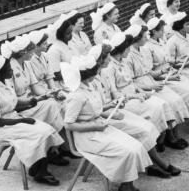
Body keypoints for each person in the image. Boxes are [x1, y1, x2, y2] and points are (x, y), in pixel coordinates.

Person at [88, 44, 182, 178]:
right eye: (107, 57)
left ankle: (152, 162)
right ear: (100, 61)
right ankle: (158, 164)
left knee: (147, 127)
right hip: (104, 117)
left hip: (114, 109)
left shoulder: (103, 72)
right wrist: (116, 104)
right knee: (142, 130)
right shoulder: (91, 80)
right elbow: (97, 108)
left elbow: (115, 92)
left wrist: (123, 100)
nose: (110, 59)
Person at [61, 56, 152, 191]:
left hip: (100, 127)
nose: (97, 74)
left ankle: (127, 184)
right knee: (126, 151)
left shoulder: (90, 87)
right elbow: (68, 125)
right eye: (94, 72)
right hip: (87, 137)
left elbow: (95, 110)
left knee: (135, 146)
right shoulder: (76, 96)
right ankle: (126, 186)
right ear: (87, 75)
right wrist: (95, 126)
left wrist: (111, 105)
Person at [0, 54, 64, 186]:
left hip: (14, 119)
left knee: (46, 128)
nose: (12, 71)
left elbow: (14, 103)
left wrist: (30, 103)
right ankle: (40, 169)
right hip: (2, 129)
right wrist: (23, 121)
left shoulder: (4, 84)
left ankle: (38, 167)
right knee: (40, 133)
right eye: (9, 69)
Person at [5, 35, 69, 165]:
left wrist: (51, 93)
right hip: (21, 108)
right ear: (23, 52)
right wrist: (43, 98)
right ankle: (57, 148)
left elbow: (35, 88)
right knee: (52, 106)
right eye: (31, 50)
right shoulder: (9, 69)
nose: (33, 53)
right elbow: (11, 99)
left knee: (56, 102)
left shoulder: (26, 64)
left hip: (32, 101)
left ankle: (55, 148)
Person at [125, 24, 189, 150]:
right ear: (137, 38)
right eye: (145, 36)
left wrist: (161, 74)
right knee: (166, 103)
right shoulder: (128, 55)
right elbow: (131, 81)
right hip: (143, 85)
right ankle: (165, 137)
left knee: (175, 99)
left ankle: (173, 135)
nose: (147, 39)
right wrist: (151, 86)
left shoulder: (143, 50)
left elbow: (149, 71)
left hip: (150, 80)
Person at [145, 17, 189, 139]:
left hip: (172, 73)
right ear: (154, 32)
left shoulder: (161, 41)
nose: (163, 32)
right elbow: (150, 73)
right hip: (163, 78)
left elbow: (169, 60)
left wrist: (175, 66)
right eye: (161, 30)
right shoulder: (147, 47)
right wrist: (168, 74)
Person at [102, 32, 171, 135]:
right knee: (155, 108)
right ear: (122, 50)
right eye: (128, 48)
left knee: (162, 104)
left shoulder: (123, 61)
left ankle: (164, 136)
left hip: (135, 94)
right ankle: (158, 137)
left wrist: (141, 91)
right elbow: (115, 94)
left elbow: (131, 82)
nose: (129, 51)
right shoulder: (110, 68)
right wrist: (135, 96)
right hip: (125, 101)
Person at [46, 11, 77, 86]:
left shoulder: (70, 44)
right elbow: (55, 74)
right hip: (62, 84)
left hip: (73, 80)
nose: (71, 35)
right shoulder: (54, 50)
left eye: (71, 32)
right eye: (68, 33)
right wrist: (74, 73)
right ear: (61, 34)